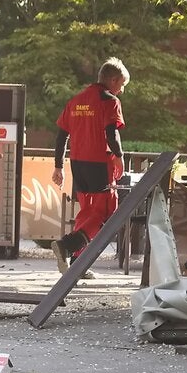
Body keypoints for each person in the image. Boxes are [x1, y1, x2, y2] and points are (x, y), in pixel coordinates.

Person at [50, 58, 130, 275]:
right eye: (121, 85)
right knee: (106, 211)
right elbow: (111, 132)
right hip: (98, 163)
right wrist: (119, 156)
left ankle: (78, 263)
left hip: (78, 164)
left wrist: (58, 166)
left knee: (87, 211)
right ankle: (67, 246)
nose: (121, 90)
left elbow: (61, 136)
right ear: (113, 80)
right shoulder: (109, 101)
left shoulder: (75, 101)